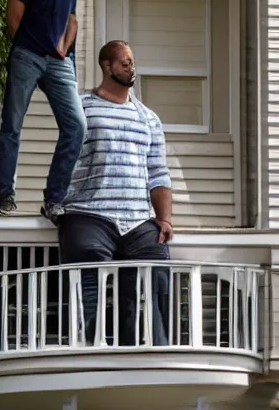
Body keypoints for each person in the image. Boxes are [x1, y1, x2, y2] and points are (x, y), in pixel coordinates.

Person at [57, 40, 174, 346]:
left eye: (132, 62)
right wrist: (55, 201)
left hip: (137, 219)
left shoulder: (148, 119)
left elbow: (158, 172)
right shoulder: (81, 107)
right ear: (106, 66)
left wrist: (165, 219)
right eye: (123, 62)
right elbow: (64, 158)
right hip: (89, 212)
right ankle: (90, 345)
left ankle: (150, 346)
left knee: (157, 262)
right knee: (87, 259)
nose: (130, 67)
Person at [0, 0, 86, 222]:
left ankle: (54, 200)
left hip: (58, 62)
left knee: (77, 126)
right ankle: (5, 194)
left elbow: (72, 19)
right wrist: (29, 48)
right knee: (12, 123)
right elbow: (12, 22)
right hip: (27, 56)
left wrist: (63, 47)